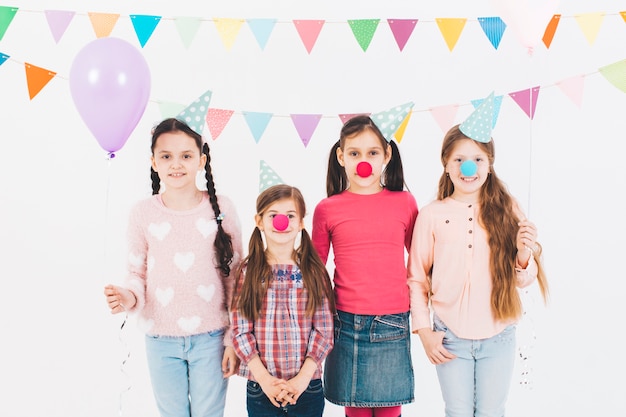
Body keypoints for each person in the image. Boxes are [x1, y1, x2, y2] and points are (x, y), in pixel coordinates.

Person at [103, 117, 243, 417]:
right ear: (153, 161)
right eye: (166, 156)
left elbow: (235, 280)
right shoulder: (142, 213)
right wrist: (128, 297)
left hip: (212, 338)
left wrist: (233, 339)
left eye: (186, 156)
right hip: (160, 339)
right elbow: (136, 273)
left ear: (201, 160)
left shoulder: (223, 209)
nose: (175, 164)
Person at [407, 124, 549, 417]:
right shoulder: (432, 214)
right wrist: (424, 332)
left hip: (499, 334)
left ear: (489, 165)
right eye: (458, 159)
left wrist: (524, 254)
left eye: (477, 159)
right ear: (446, 165)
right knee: (456, 411)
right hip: (449, 336)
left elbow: (524, 280)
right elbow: (417, 278)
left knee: (491, 412)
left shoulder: (508, 207)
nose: (467, 166)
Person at [312, 115, 418, 417]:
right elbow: (316, 269)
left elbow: (422, 260)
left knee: (389, 410)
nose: (364, 162)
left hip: (393, 321)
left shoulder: (405, 203)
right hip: (345, 322)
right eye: (355, 153)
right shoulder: (327, 208)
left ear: (386, 155)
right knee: (355, 409)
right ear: (341, 156)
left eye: (372, 152)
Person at [231, 184, 335, 417]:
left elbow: (324, 330)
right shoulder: (248, 271)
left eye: (290, 216)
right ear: (259, 221)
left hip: (308, 388)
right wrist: (265, 380)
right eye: (273, 216)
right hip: (261, 388)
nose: (282, 222)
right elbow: (240, 330)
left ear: (300, 223)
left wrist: (302, 379)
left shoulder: (313, 271)